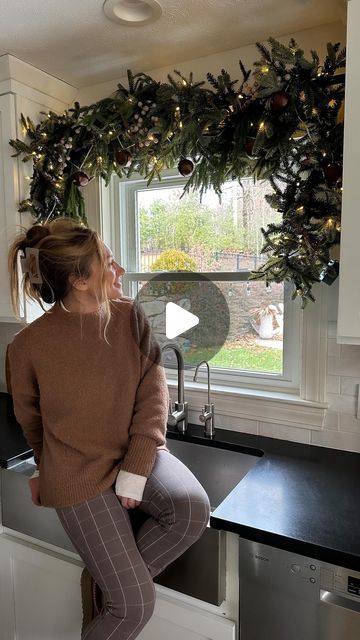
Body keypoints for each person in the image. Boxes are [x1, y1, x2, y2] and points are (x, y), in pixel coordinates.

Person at [7, 217, 210, 640]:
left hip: (135, 453)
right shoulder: (26, 347)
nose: (119, 270)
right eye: (109, 262)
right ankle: (114, 588)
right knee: (134, 605)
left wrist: (136, 469)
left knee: (192, 507)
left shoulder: (130, 318)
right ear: (80, 280)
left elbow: (154, 393)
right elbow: (31, 421)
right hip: (77, 477)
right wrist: (45, 472)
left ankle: (104, 582)